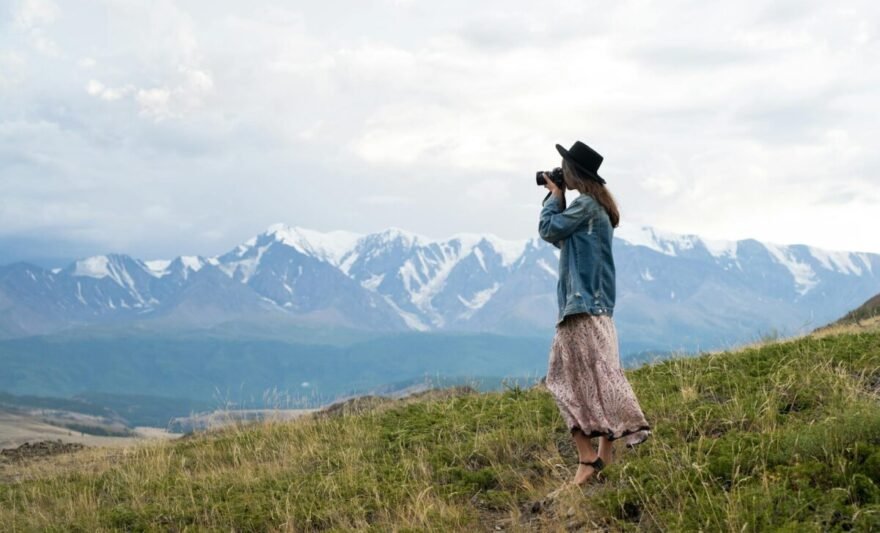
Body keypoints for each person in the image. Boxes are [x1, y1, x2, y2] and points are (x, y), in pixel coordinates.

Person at [538, 141, 652, 486]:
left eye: (563, 169)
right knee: (601, 374)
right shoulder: (596, 208)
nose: (561, 173)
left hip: (581, 307)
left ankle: (587, 458)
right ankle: (605, 456)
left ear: (574, 173)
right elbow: (564, 240)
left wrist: (553, 198)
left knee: (562, 380)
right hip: (600, 309)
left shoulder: (585, 205)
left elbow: (548, 231)